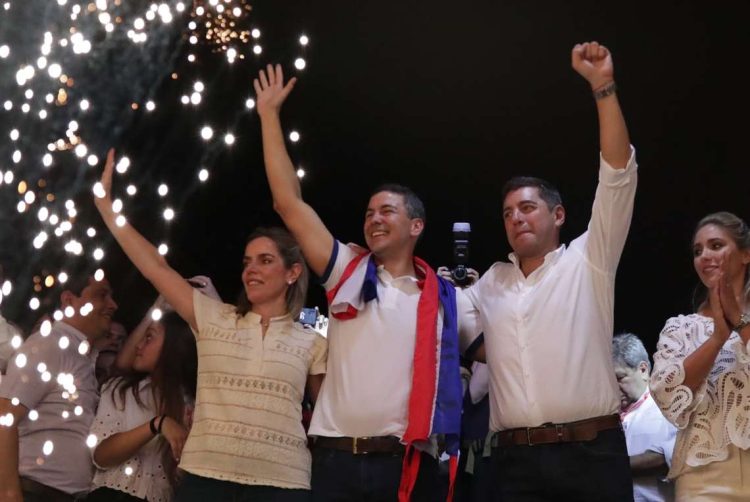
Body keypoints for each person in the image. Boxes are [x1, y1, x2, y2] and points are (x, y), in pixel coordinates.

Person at [255, 65, 480, 501]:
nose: (374, 219)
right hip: (336, 463)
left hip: (407, 467)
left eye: (387, 212)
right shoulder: (349, 271)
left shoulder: (445, 300)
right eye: (369, 212)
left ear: (416, 225)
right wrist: (268, 116)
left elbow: (503, 350)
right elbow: (288, 203)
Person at [93, 149, 327, 501]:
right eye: (248, 262)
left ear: (292, 272)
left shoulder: (312, 342)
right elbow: (157, 267)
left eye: (265, 261)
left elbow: (326, 419)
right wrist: (108, 210)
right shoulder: (214, 317)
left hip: (284, 483)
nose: (252, 270)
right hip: (207, 478)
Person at [463, 41, 637, 500]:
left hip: (592, 455)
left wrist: (603, 87)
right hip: (513, 463)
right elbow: (444, 329)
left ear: (558, 216)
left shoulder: (589, 259)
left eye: (527, 208)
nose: (516, 218)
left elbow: (618, 174)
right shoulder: (489, 284)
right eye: (507, 213)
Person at [650, 211, 750, 500]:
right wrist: (718, 337)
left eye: (716, 245)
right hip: (704, 480)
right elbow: (667, 396)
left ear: (745, 255)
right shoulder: (680, 328)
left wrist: (739, 322)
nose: (705, 255)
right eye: (698, 251)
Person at [0, 271, 118, 502]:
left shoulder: (78, 355)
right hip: (33, 493)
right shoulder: (50, 345)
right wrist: (9, 494)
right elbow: (5, 416)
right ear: (68, 300)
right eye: (101, 295)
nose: (113, 305)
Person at [88, 309, 197, 502]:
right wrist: (157, 425)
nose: (138, 345)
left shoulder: (193, 405)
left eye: (149, 338)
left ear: (174, 346)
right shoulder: (121, 391)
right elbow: (101, 456)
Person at [613, 333, 676, 501]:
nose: (612, 386)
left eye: (619, 378)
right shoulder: (606, 414)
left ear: (643, 370)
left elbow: (666, 459)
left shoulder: (667, 408)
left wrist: (606, 467)